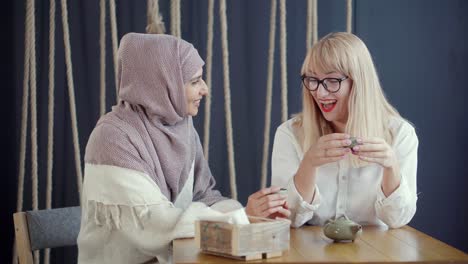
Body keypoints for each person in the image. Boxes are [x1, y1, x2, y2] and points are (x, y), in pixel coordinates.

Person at [77, 33, 289, 264]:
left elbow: (204, 196)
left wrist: (251, 218)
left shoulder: (180, 126)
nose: (205, 89)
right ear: (163, 82)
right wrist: (240, 217)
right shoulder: (112, 139)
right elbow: (154, 223)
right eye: (195, 81)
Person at [271, 32, 418, 229]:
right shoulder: (289, 134)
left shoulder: (400, 134)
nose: (320, 93)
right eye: (312, 80)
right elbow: (287, 219)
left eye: (332, 81)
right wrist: (309, 164)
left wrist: (391, 166)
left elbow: (398, 220)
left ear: (358, 82)